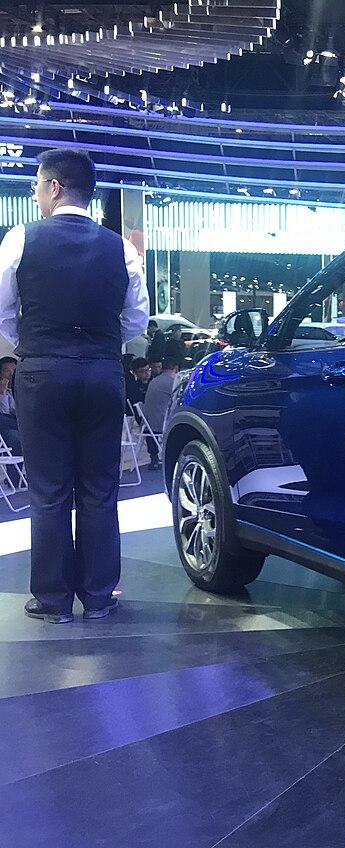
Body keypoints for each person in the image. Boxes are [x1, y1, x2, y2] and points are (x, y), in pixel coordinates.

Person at [0, 148, 149, 623]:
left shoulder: (20, 239)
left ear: (54, 187)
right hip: (103, 372)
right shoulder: (121, 248)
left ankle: (53, 601)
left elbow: (2, 310)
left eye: (36, 186)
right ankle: (99, 597)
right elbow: (136, 319)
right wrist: (100, 343)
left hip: (42, 373)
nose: (35, 195)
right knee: (100, 488)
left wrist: (35, 340)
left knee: (48, 490)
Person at [142, 357, 178, 471]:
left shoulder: (154, 381)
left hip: (147, 424)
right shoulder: (172, 382)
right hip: (161, 424)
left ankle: (154, 458)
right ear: (176, 369)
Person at [0, 355, 20, 487]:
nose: (11, 374)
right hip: (4, 427)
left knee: (15, 435)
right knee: (14, 435)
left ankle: (16, 479)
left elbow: (15, 412)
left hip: (11, 427)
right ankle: (14, 479)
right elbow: (4, 412)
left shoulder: (16, 390)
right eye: (8, 371)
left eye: (14, 371)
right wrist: (2, 393)